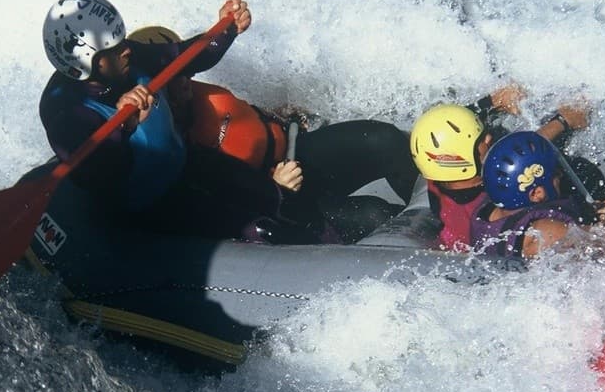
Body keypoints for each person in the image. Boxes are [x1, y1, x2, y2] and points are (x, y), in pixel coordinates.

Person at [39, 0, 296, 240]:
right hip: (148, 204)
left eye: (123, 41)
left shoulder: (129, 58)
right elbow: (96, 176)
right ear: (84, 64)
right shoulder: (65, 109)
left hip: (185, 161)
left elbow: (187, 57)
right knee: (262, 231)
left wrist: (225, 31)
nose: (126, 50)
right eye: (113, 49)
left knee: (274, 197)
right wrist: (124, 128)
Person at [127, 25, 420, 242]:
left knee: (385, 140)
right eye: (172, 80)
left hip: (296, 153)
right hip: (280, 204)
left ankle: (448, 214)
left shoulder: (196, 94)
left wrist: (277, 114)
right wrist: (274, 187)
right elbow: (217, 206)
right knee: (376, 215)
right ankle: (419, 252)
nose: (184, 82)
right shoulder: (171, 149)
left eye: (185, 72)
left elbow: (243, 118)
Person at [408, 96, 594, 251]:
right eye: (480, 139)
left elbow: (440, 126)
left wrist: (492, 101)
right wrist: (561, 121)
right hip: (498, 253)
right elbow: (519, 157)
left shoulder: (437, 177)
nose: (489, 138)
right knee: (584, 172)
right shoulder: (491, 198)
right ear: (461, 158)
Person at [473, 131, 597, 258]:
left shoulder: (485, 211)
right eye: (555, 174)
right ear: (537, 193)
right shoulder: (545, 232)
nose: (560, 174)